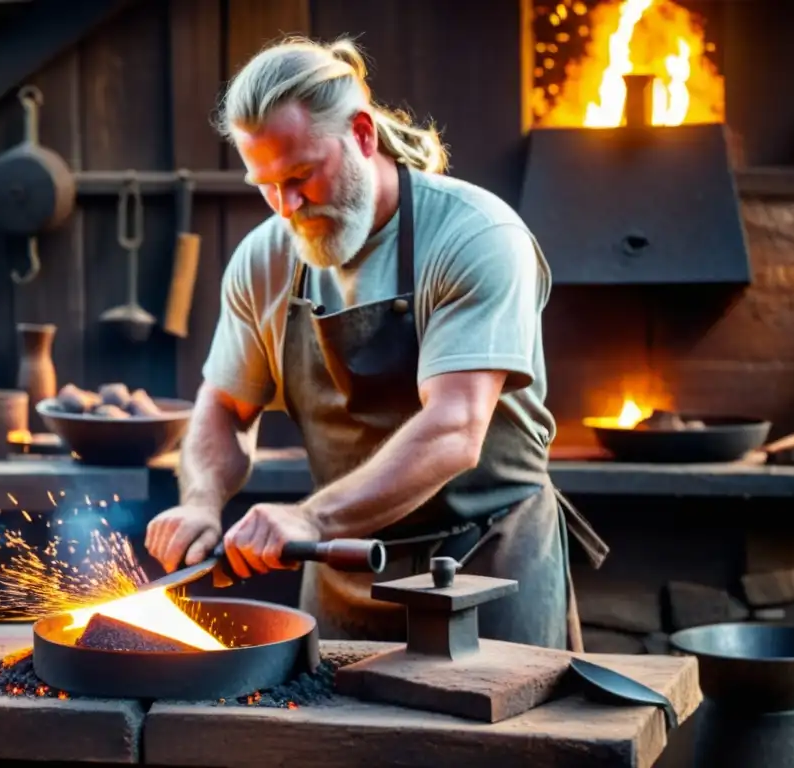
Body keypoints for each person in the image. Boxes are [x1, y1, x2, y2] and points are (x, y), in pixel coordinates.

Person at [145, 36, 608, 651]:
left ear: (362, 135)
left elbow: (454, 428)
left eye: (302, 175)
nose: (286, 206)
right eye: (265, 184)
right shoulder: (265, 259)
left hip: (488, 568)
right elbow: (225, 409)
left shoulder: (477, 236)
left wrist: (309, 517)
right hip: (344, 571)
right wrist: (202, 500)